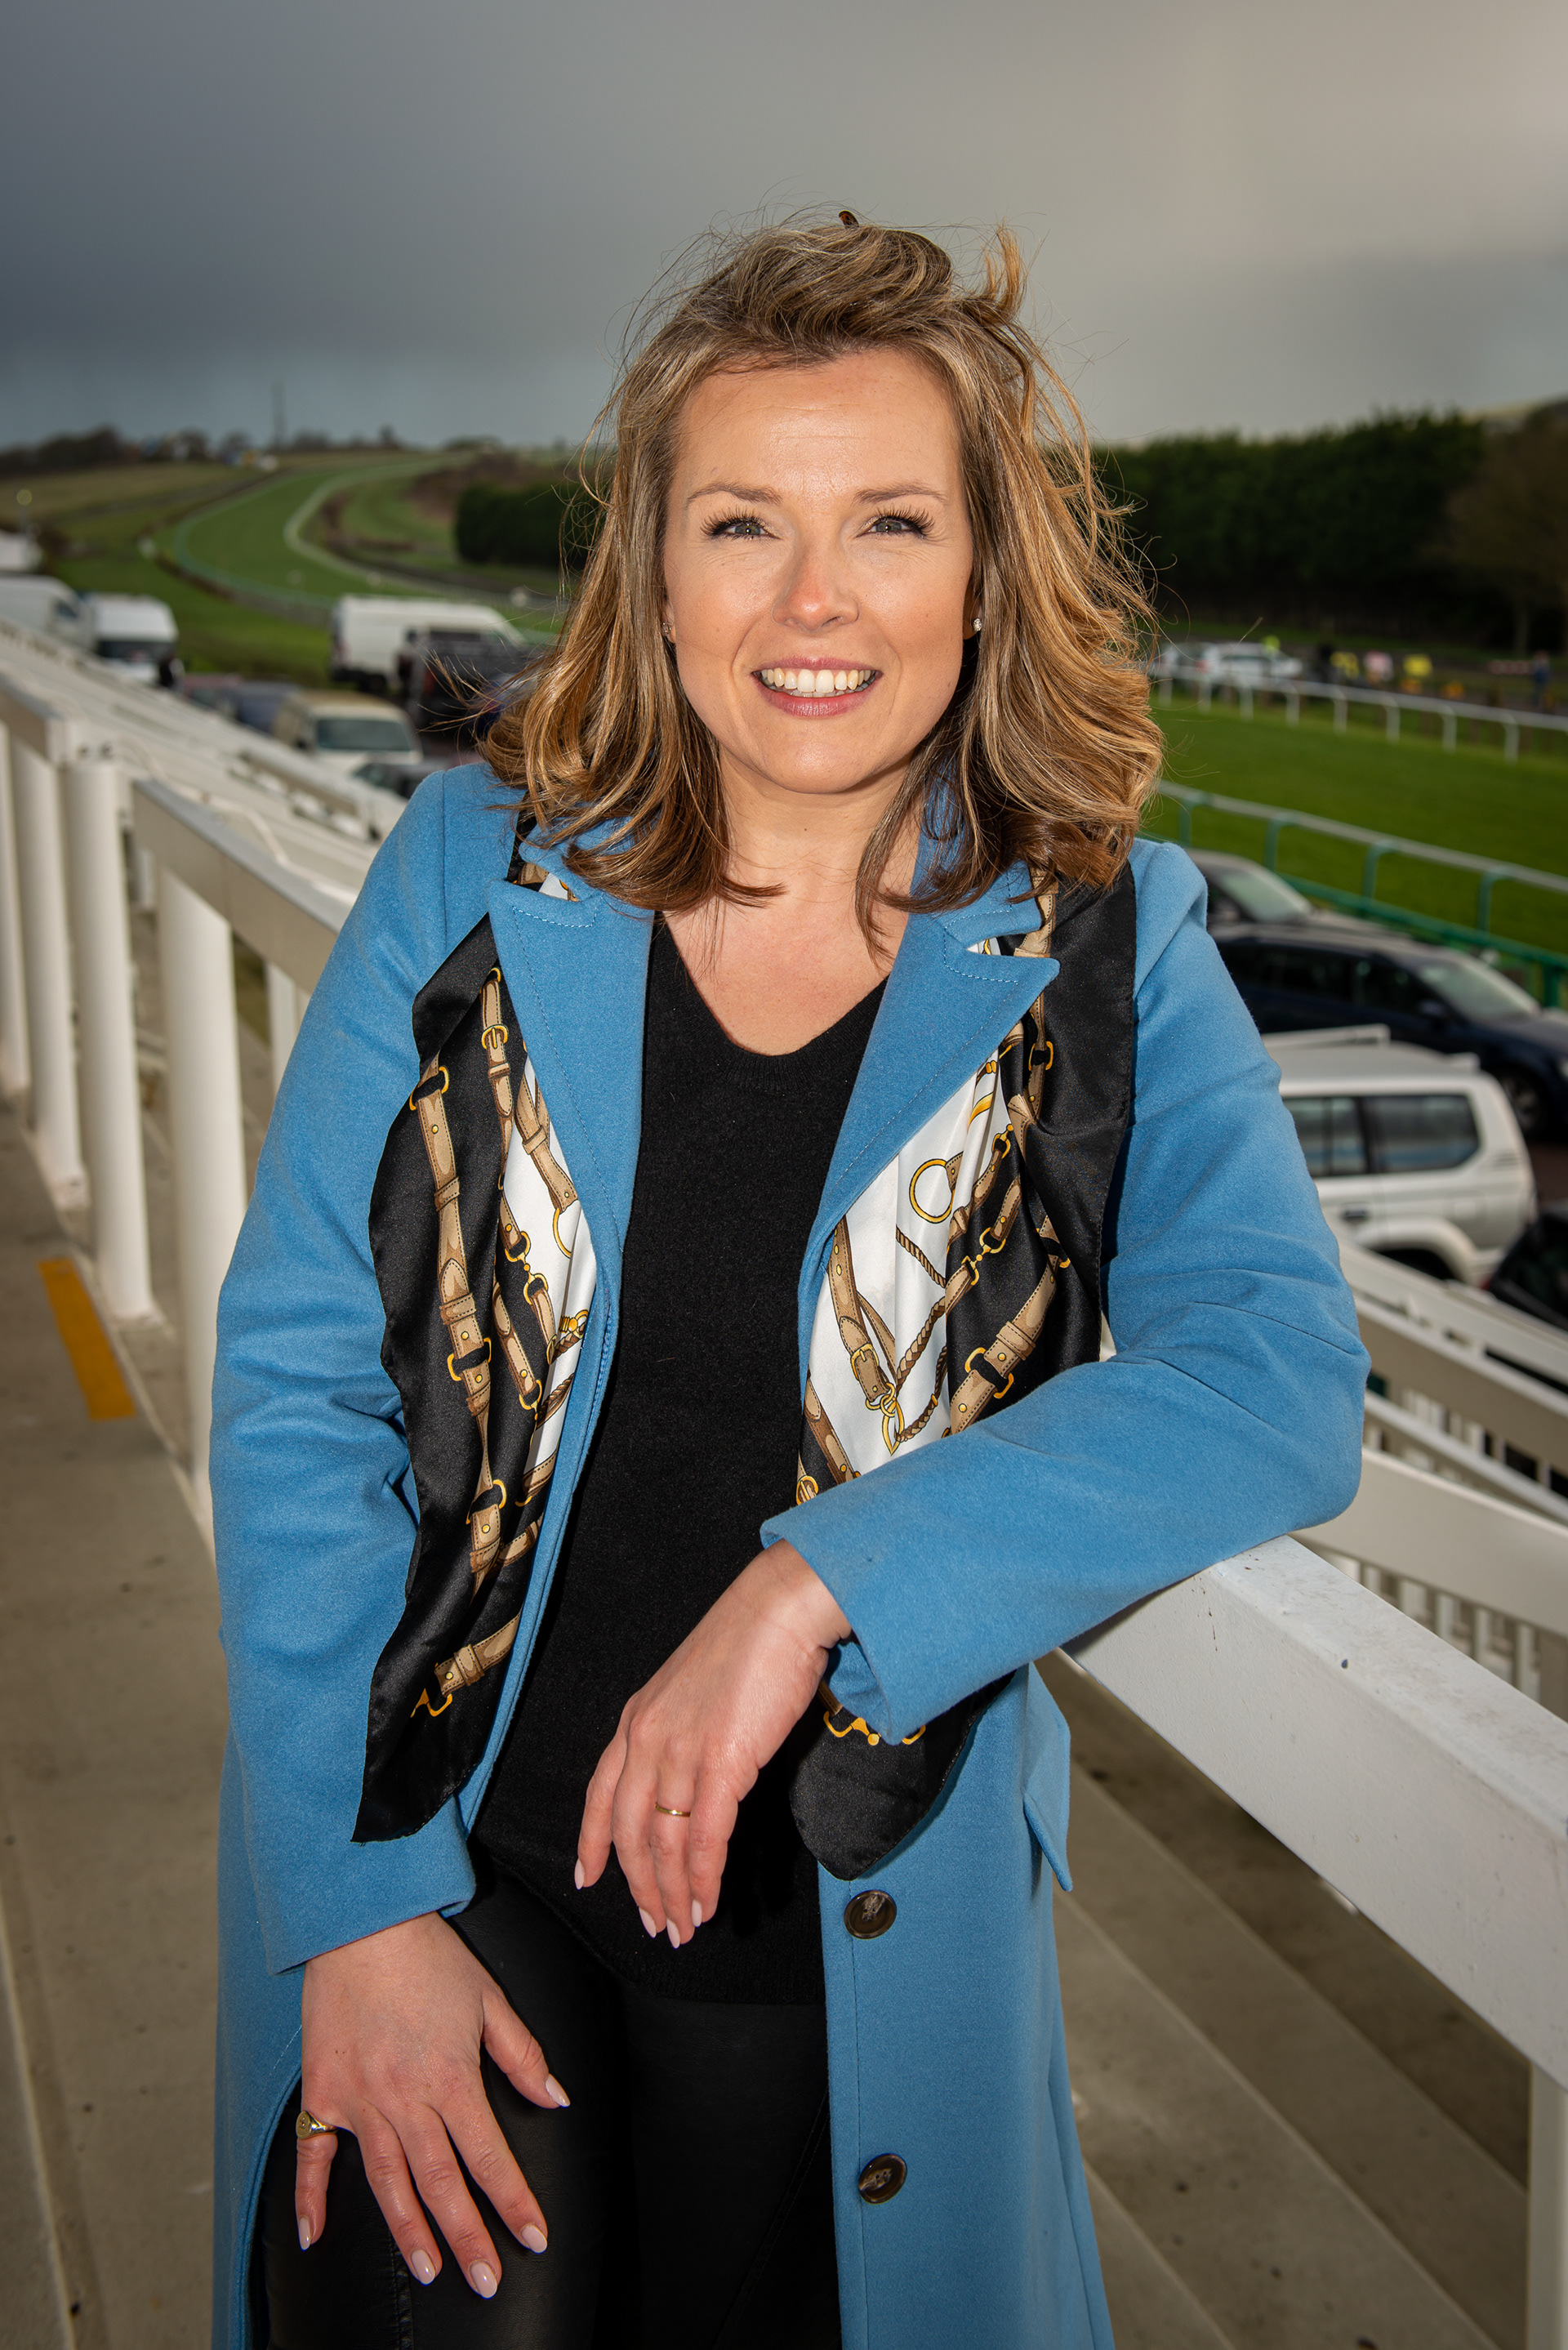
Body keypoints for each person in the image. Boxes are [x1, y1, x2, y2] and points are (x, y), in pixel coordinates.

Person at [210, 216, 1367, 2350]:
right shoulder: (472, 869)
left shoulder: (1106, 938)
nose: (815, 599)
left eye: (891, 523)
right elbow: (299, 1386)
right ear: (654, 575)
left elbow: (1276, 1372)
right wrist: (352, 1912)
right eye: (744, 522)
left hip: (852, 1938)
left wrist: (817, 1584)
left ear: (984, 574)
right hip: (452, 1875)